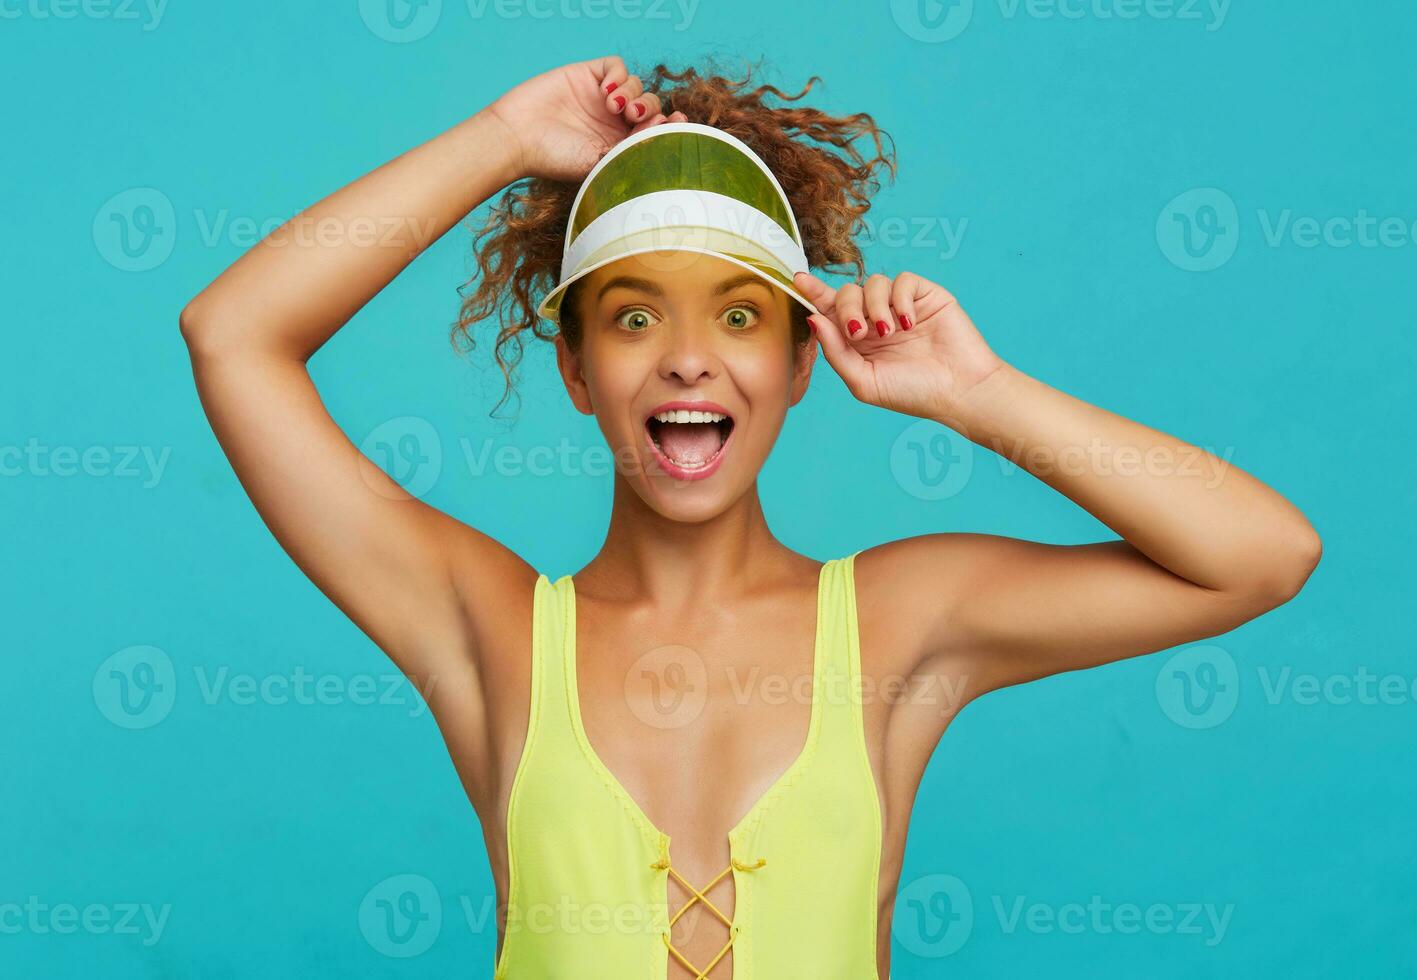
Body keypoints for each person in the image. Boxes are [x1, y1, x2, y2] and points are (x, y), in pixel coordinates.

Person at [180, 54, 1321, 979]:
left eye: (736, 316)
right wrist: (506, 137)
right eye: (633, 321)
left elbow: (1263, 556)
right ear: (575, 368)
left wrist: (979, 394)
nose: (686, 360)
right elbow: (233, 334)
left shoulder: (898, 621)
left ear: (799, 361)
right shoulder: (490, 627)